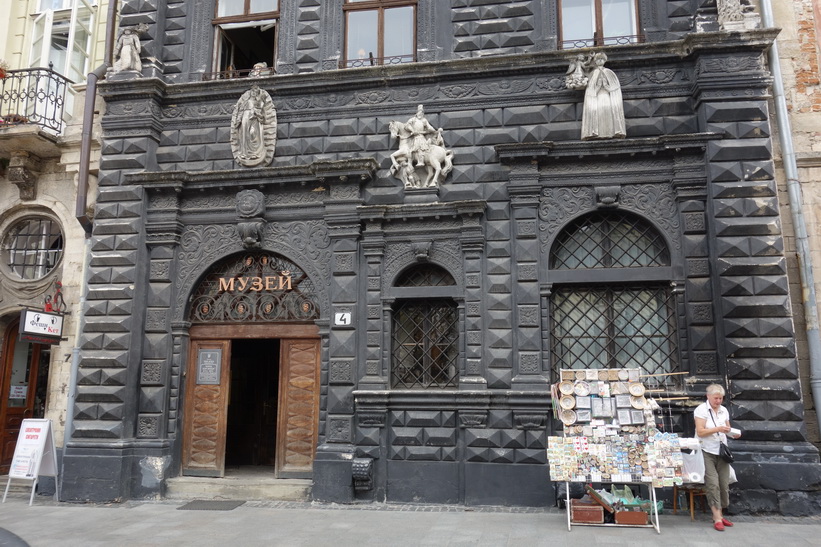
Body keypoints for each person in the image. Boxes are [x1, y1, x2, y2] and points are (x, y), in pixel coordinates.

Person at [694, 384, 740, 531]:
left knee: (724, 484)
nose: (719, 401)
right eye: (716, 398)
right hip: (706, 450)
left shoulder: (723, 410)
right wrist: (718, 429)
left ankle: (720, 513)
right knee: (712, 484)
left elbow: (727, 429)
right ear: (708, 396)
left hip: (721, 451)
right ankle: (717, 517)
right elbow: (700, 432)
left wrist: (733, 433)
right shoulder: (701, 410)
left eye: (721, 398)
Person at [581, 52, 626, 140]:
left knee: (607, 112)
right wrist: (597, 86)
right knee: (598, 113)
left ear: (604, 61)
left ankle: (609, 132)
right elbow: (590, 90)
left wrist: (606, 86)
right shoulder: (593, 73)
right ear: (595, 61)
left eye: (601, 59)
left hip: (607, 97)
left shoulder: (609, 72)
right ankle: (597, 132)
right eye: (597, 59)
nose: (600, 61)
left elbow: (614, 88)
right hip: (597, 98)